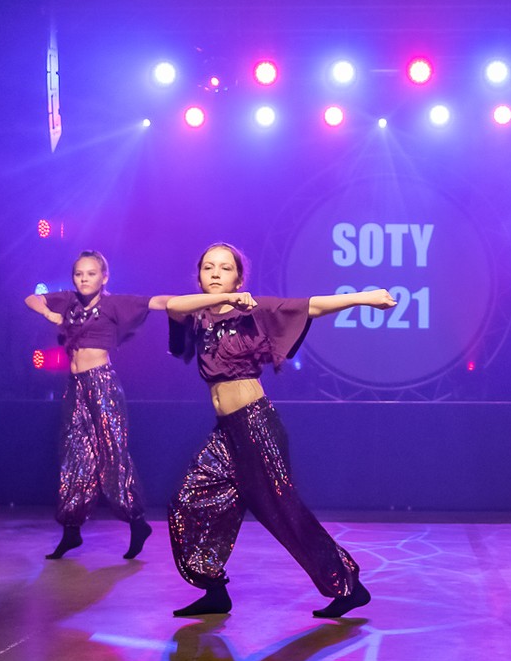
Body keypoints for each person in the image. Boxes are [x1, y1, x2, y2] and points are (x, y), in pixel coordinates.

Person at [162, 243, 394, 618]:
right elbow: (172, 306)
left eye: (225, 268)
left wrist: (364, 298)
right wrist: (222, 300)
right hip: (225, 433)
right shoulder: (196, 314)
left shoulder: (253, 310)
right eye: (208, 267)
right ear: (199, 276)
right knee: (186, 501)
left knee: (283, 513)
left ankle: (348, 586)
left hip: (256, 427)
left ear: (239, 278)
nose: (216, 273)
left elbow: (311, 306)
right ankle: (214, 590)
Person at [23, 250, 169, 561]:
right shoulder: (68, 301)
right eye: (79, 274)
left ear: (104, 277)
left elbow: (157, 302)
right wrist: (50, 314)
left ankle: (137, 522)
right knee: (74, 455)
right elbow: (31, 299)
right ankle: (71, 530)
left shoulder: (114, 304)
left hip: (102, 385)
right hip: (75, 387)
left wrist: (203, 301)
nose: (84, 279)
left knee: (112, 454)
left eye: (91, 273)